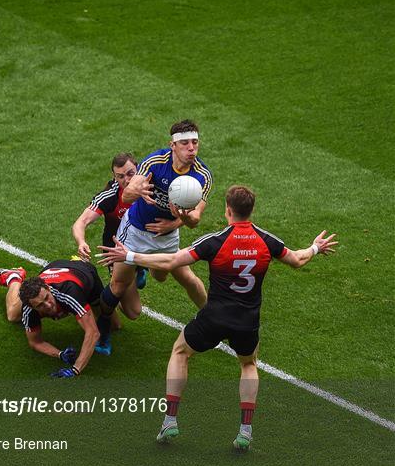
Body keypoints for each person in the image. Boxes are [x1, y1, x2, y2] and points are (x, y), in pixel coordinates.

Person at [98, 185, 338, 450]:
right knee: (248, 365)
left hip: (213, 317)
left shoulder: (215, 240)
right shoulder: (266, 240)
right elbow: (296, 260)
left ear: (228, 210)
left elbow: (171, 262)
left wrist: (129, 255)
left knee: (180, 352)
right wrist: (315, 248)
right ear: (251, 210)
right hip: (247, 321)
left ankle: (170, 421)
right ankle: (245, 431)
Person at [99, 119, 213, 322]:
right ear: (173, 145)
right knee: (119, 286)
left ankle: (214, 318)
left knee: (175, 277)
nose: (191, 148)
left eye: (195, 142)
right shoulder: (155, 162)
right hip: (136, 230)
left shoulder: (202, 176)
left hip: (166, 235)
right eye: (185, 143)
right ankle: (103, 329)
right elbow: (126, 198)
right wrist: (137, 190)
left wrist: (179, 217)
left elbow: (195, 220)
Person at [71, 153, 149, 353]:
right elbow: (81, 222)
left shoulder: (150, 184)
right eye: (120, 176)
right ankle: (134, 274)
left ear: (139, 169)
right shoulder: (110, 196)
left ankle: (142, 269)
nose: (127, 180)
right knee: (133, 312)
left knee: (167, 271)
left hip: (148, 244)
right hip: (118, 250)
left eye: (131, 173)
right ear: (114, 177)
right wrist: (81, 242)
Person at [0, 259, 113, 377]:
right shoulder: (29, 310)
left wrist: (75, 369)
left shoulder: (69, 293)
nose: (48, 305)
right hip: (52, 272)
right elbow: (35, 342)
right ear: (32, 307)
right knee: (13, 315)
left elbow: (93, 332)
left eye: (47, 298)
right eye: (40, 305)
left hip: (83, 271)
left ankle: (14, 278)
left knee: (113, 325)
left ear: (47, 288)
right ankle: (14, 278)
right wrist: (59, 354)